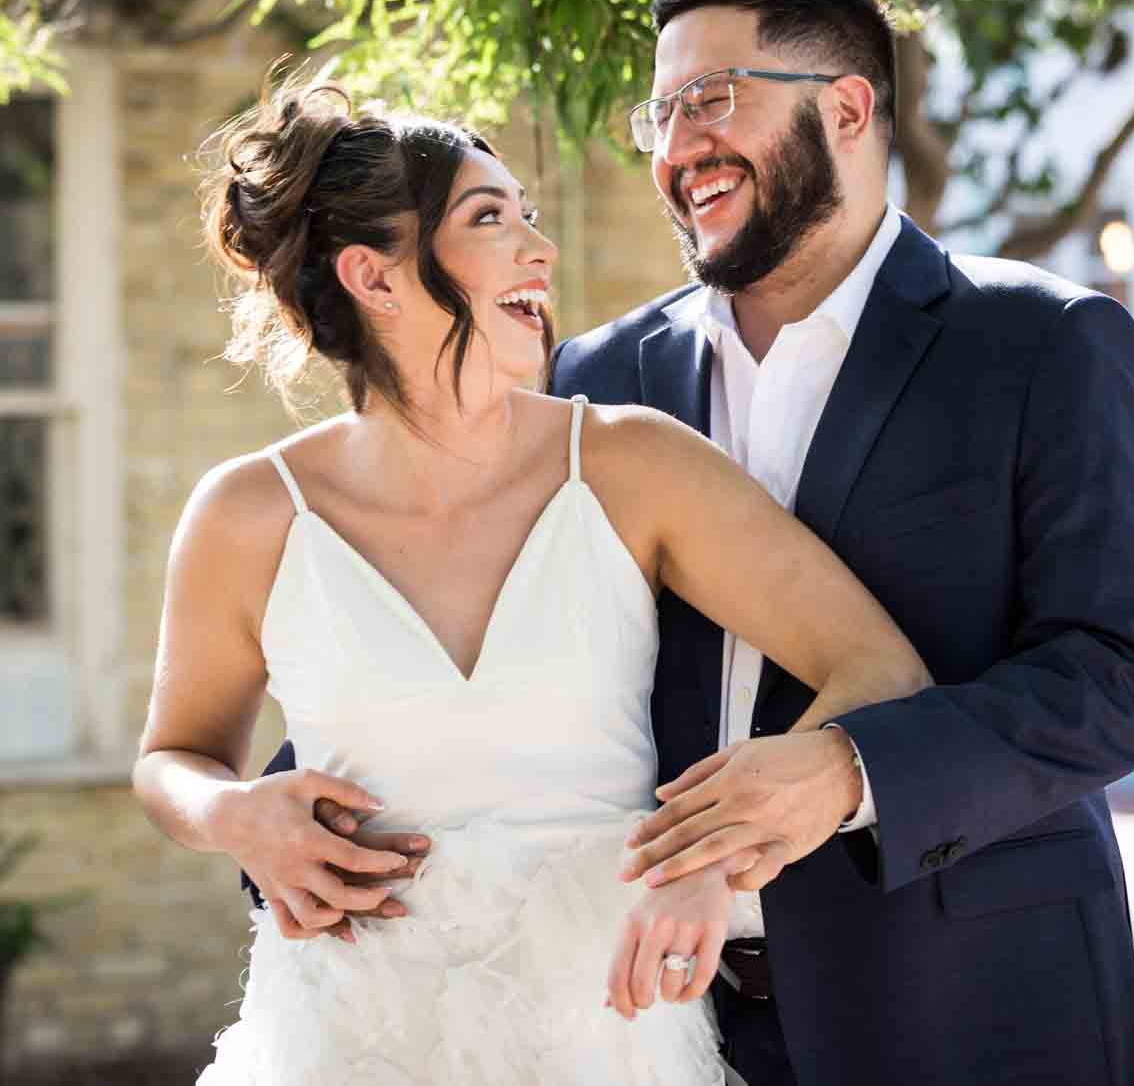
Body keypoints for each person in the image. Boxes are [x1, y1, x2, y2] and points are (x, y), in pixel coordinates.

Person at [258, 0, 1134, 1084]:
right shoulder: (599, 375)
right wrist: (280, 820)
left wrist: (849, 768)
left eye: (710, 99)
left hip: (970, 1008)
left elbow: (1114, 678)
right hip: (651, 1024)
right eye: (659, 112)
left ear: (845, 107)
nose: (675, 146)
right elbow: (483, 626)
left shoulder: (1043, 345)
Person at [131, 72, 931, 1085]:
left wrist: (714, 860)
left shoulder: (630, 464)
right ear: (374, 277)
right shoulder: (245, 514)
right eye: (488, 219)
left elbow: (877, 667)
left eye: (529, 216)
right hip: (342, 1040)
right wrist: (234, 815)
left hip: (602, 1033)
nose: (537, 250)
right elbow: (171, 758)